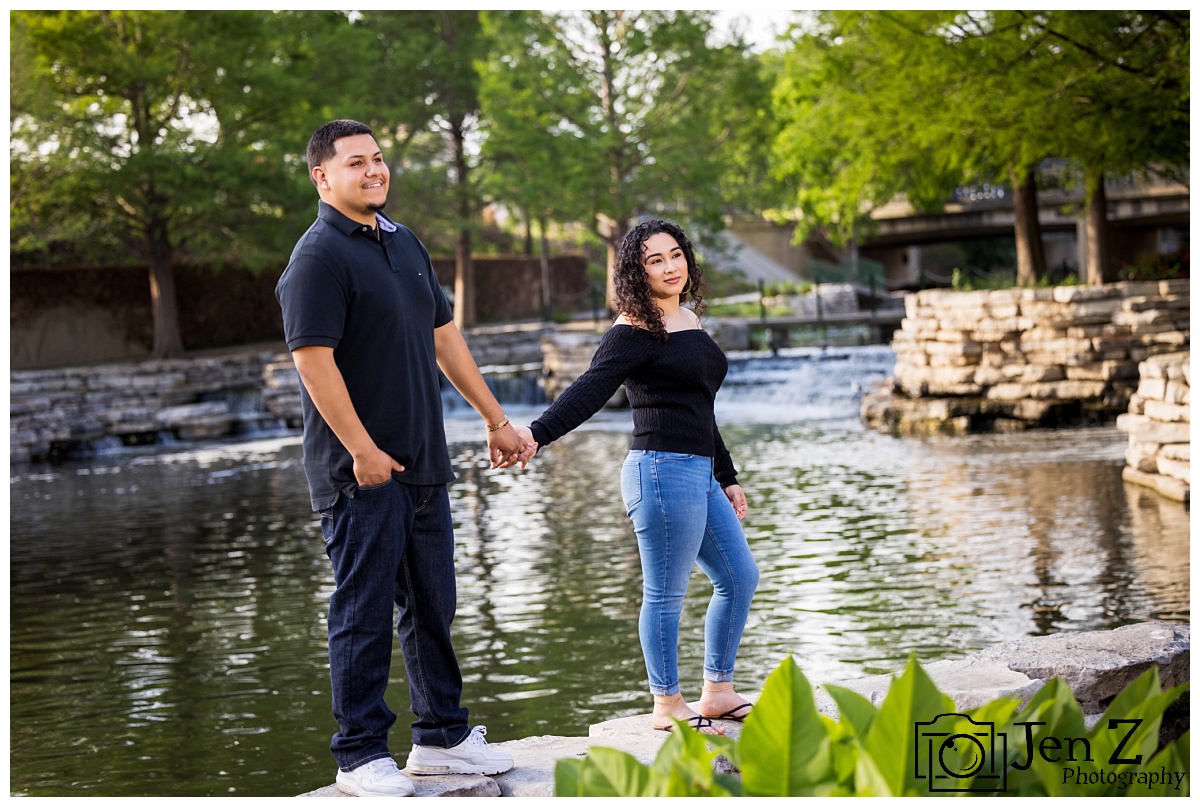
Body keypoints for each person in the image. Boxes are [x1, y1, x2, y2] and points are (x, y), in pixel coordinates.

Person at [275, 119, 534, 797]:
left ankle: (441, 737)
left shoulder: (404, 241)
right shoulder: (317, 258)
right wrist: (361, 448)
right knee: (362, 611)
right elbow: (312, 361)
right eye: (356, 162)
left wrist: (496, 419)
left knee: (432, 602)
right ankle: (359, 752)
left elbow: (444, 337)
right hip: (361, 473)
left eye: (380, 159)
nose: (375, 170)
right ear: (321, 176)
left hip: (423, 462)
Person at [517, 219, 759, 735]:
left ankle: (717, 691)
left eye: (676, 255)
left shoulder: (688, 319)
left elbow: (700, 408)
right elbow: (590, 389)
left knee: (740, 577)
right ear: (635, 271)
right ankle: (666, 701)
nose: (671, 267)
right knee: (666, 594)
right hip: (660, 473)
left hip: (699, 471)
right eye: (655, 260)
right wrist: (537, 434)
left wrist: (728, 474)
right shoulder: (634, 330)